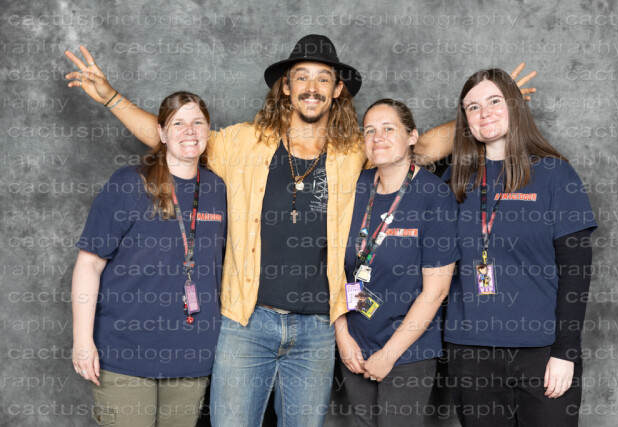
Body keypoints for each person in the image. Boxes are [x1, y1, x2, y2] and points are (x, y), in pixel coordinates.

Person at [65, 34, 536, 426]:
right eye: (302, 77)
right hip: (246, 322)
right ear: (286, 89)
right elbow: (177, 139)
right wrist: (111, 98)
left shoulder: (355, 151)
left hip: (317, 329)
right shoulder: (243, 144)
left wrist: (486, 113)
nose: (312, 87)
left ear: (337, 91)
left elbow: (422, 147)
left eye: (323, 79)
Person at [443, 69, 597, 426]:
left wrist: (565, 352)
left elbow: (576, 273)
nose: (485, 113)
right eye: (473, 107)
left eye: (495, 101)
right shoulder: (453, 180)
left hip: (542, 353)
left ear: (515, 105)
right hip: (470, 353)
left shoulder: (556, 175)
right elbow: (408, 152)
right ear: (464, 120)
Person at [71, 91, 226, 426]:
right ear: (161, 133)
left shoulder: (219, 189)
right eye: (178, 123)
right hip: (125, 353)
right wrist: (82, 341)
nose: (189, 131)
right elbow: (89, 264)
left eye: (198, 122)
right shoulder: (129, 183)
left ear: (208, 131)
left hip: (192, 356)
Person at [334, 99, 459, 426]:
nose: (378, 137)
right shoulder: (354, 186)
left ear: (412, 136)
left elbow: (437, 290)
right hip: (355, 346)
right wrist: (342, 337)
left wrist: (389, 355)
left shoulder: (434, 196)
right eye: (370, 131)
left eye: (389, 129)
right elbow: (331, 268)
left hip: (407, 351)